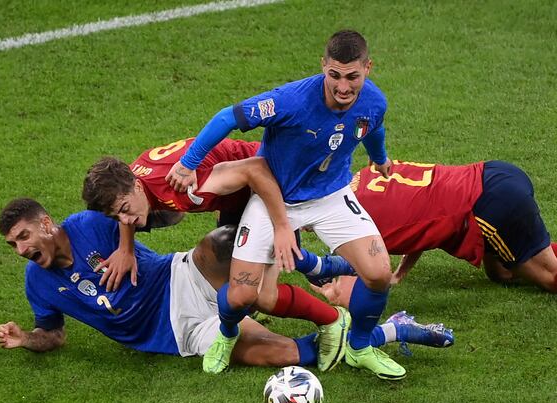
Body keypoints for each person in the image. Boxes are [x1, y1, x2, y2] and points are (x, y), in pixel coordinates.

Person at [165, 30, 403, 379]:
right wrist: (188, 163)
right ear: (323, 66)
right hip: (276, 198)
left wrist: (380, 159)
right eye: (334, 75)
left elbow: (372, 126)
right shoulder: (290, 101)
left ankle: (360, 347)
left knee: (379, 274)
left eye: (352, 76)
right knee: (241, 296)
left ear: (368, 68)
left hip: (332, 197)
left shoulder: (374, 101)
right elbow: (228, 118)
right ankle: (227, 334)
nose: (342, 87)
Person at [0, 198, 453, 363]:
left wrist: (127, 241)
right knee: (283, 351)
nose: (21, 250)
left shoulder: (90, 223)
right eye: (13, 245)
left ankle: (326, 267)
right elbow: (53, 336)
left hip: (183, 276)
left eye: (23, 237)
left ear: (47, 224)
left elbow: (166, 213)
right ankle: (393, 330)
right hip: (181, 332)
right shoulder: (37, 283)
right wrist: (25, 340)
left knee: (224, 239)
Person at [300, 160, 557, 306]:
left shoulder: (358, 224)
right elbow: (419, 206)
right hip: (495, 173)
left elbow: (370, 281)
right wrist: (407, 263)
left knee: (553, 277)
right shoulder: (367, 175)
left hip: (488, 206)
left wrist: (329, 292)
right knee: (501, 272)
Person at [82, 139, 351, 351]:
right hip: (238, 195)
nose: (126, 221)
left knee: (262, 294)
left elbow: (255, 169)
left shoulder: (183, 186)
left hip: (268, 184)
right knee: (239, 281)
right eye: (117, 217)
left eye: (125, 210)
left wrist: (282, 225)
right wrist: (125, 249)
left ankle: (334, 319)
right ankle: (318, 268)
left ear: (138, 187)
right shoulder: (132, 179)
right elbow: (140, 206)